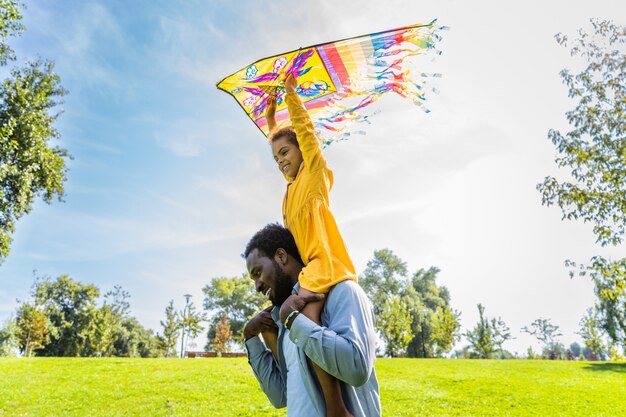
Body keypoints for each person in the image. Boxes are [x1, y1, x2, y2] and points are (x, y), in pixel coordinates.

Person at [262, 72, 358, 417]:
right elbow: (280, 141)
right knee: (286, 316)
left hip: (326, 262)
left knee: (306, 315)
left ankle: (336, 409)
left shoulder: (314, 173)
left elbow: (303, 132)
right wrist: (271, 117)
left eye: (286, 153)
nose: (281, 160)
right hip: (308, 266)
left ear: (304, 150)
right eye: (276, 158)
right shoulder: (288, 194)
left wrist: (289, 94)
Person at [243, 223, 381, 417]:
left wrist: (294, 320)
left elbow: (357, 369)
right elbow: (280, 397)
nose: (257, 286)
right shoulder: (282, 323)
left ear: (281, 256)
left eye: (257, 273)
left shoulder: (344, 292)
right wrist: (251, 338)